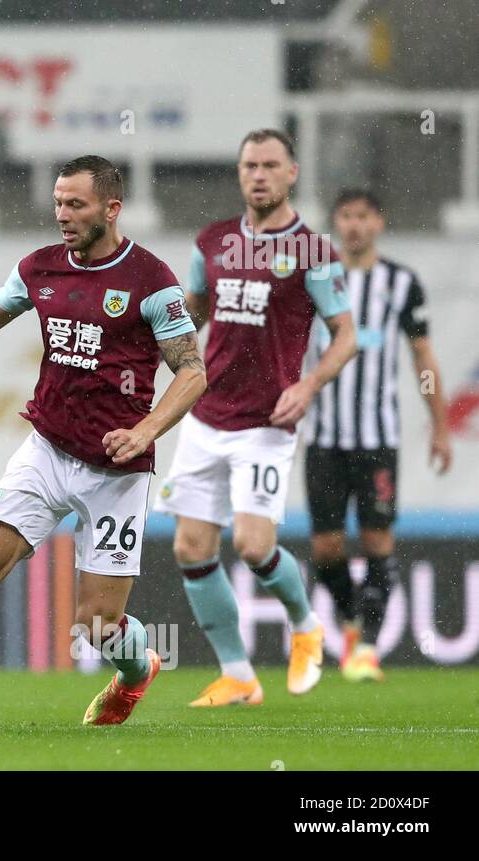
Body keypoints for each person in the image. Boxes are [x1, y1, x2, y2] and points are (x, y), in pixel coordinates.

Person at [0, 155, 207, 728]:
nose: (62, 215)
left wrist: (146, 429)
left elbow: (192, 371)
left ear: (111, 208)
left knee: (97, 626)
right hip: (47, 450)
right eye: (57, 203)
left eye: (75, 204)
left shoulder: (151, 281)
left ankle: (135, 671)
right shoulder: (39, 268)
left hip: (117, 471)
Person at [154, 129, 358, 706]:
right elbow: (194, 310)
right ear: (240, 172)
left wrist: (310, 383)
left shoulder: (314, 252)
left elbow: (346, 335)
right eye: (250, 165)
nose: (259, 174)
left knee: (250, 542)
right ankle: (239, 674)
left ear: (293, 172)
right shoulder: (212, 240)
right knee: (191, 547)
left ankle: (305, 624)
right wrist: (154, 357)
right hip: (205, 415)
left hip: (266, 423)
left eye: (271, 165)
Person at [305, 189, 452, 681]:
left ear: (379, 223)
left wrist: (440, 424)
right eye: (345, 216)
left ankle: (366, 648)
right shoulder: (316, 280)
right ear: (336, 223)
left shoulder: (401, 283)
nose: (353, 225)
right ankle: (350, 618)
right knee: (325, 548)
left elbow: (422, 358)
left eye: (362, 216)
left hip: (377, 441)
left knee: (377, 541)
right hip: (323, 439)